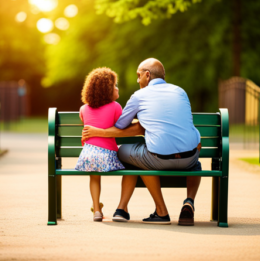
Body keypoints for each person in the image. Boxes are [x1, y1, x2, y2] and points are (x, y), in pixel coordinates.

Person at [82, 58, 202, 226]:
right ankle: (189, 201)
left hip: (158, 160)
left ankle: (159, 211)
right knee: (197, 163)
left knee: (127, 153)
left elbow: (120, 126)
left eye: (138, 76)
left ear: (147, 75)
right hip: (189, 158)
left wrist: (100, 132)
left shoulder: (139, 96)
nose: (137, 80)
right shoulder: (180, 91)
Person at [75, 67, 125, 222]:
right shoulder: (116, 107)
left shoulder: (83, 109)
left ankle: (96, 209)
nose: (117, 88)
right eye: (114, 86)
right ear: (106, 91)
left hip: (88, 156)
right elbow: (121, 126)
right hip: (109, 157)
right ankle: (122, 207)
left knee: (94, 177)